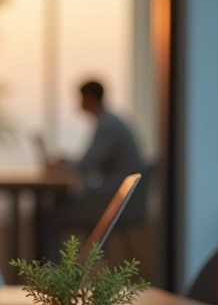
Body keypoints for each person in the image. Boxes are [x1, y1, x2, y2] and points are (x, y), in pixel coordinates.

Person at [41, 80, 144, 260]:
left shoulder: (108, 125)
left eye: (80, 98)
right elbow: (90, 162)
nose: (79, 103)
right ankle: (51, 271)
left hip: (115, 199)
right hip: (114, 194)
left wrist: (61, 166)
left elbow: (85, 167)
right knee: (53, 209)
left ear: (89, 98)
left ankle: (50, 273)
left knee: (51, 217)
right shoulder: (110, 122)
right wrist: (68, 162)